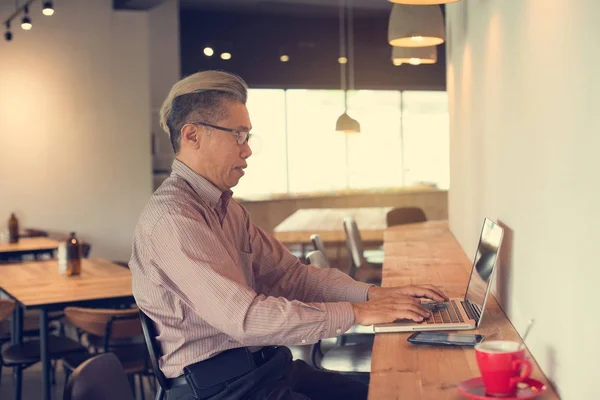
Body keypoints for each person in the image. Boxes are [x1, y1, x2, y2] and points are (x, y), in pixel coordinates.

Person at [129, 70, 448, 400]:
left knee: (404, 390)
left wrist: (372, 295)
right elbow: (246, 318)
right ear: (192, 136)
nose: (247, 150)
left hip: (267, 370)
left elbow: (294, 277)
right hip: (223, 391)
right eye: (238, 135)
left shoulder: (227, 208)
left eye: (248, 137)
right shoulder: (174, 219)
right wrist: (357, 314)